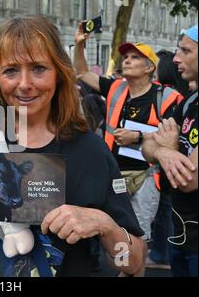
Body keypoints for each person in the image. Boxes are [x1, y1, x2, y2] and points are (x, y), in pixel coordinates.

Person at [0, 17, 145, 277]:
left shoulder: (89, 151)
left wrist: (106, 226)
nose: (25, 83)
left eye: (39, 68)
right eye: (11, 70)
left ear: (59, 73)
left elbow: (133, 260)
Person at [73, 24, 183, 253]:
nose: (127, 61)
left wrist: (139, 136)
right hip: (114, 173)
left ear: (149, 67)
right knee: (117, 230)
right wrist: (80, 44)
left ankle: (133, 269)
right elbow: (82, 72)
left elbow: (177, 134)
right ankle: (125, 267)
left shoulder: (168, 97)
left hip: (147, 174)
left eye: (135, 57)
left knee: (139, 233)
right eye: (125, 57)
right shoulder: (115, 88)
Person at [142, 25, 198, 277]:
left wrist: (168, 147)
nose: (175, 58)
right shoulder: (190, 101)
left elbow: (188, 179)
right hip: (181, 236)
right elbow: (147, 145)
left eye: (185, 50)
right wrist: (163, 153)